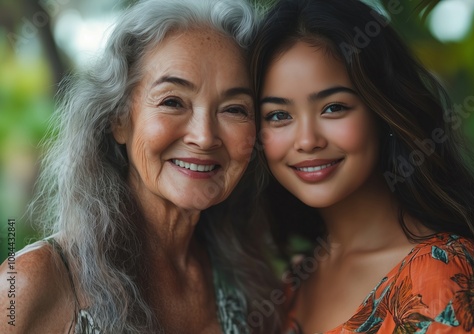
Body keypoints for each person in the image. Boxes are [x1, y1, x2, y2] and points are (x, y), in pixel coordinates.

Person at [0, 0, 282, 332]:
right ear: (119, 119)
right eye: (172, 101)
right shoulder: (33, 282)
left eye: (234, 109)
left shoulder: (247, 278)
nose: (205, 137)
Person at [250, 0, 474, 333]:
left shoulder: (438, 272)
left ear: (382, 111)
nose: (307, 140)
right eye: (279, 115)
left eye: (333, 107)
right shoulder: (293, 283)